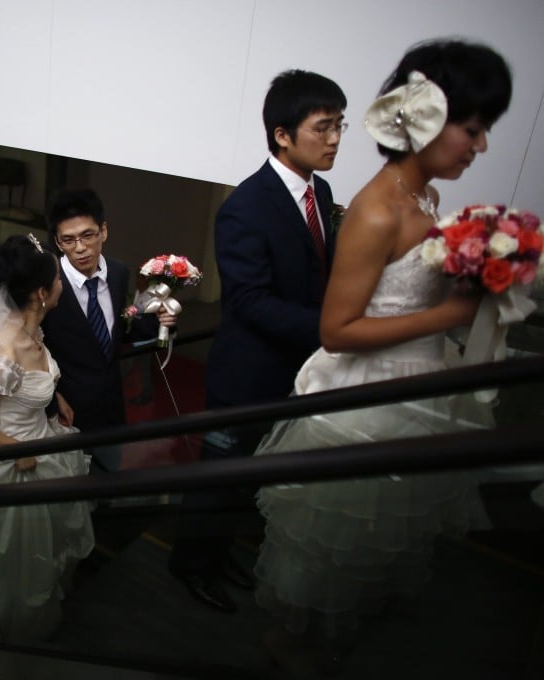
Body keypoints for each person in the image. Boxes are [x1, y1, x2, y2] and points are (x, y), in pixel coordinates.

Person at [253, 40, 511, 673]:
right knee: (337, 547)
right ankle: (293, 651)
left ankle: (336, 643)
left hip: (418, 380)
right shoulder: (376, 209)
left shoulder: (424, 198)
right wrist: (454, 313)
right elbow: (338, 329)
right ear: (424, 119)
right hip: (369, 392)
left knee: (381, 545)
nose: (479, 147)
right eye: (473, 129)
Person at [169, 69, 348, 615]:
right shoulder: (245, 206)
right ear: (282, 135)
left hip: (295, 373)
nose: (336, 138)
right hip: (246, 377)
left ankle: (218, 555)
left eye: (340, 125)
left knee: (251, 480)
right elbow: (247, 302)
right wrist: (331, 328)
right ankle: (190, 565)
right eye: (323, 127)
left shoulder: (321, 189)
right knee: (217, 482)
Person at [0, 234, 95, 642]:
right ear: (40, 292)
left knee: (43, 553)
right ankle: (9, 636)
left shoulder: (32, 330)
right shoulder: (6, 347)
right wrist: (18, 450)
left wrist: (54, 399)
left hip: (42, 441)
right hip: (15, 461)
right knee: (15, 561)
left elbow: (23, 386)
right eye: (56, 279)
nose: (61, 285)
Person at [41, 188, 174, 438]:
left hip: (112, 405)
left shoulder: (118, 272)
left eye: (88, 235)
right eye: (68, 240)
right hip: (65, 412)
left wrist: (160, 321)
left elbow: (121, 327)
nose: (80, 248)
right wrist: (52, 398)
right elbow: (32, 345)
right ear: (58, 242)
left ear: (103, 231)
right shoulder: (47, 283)